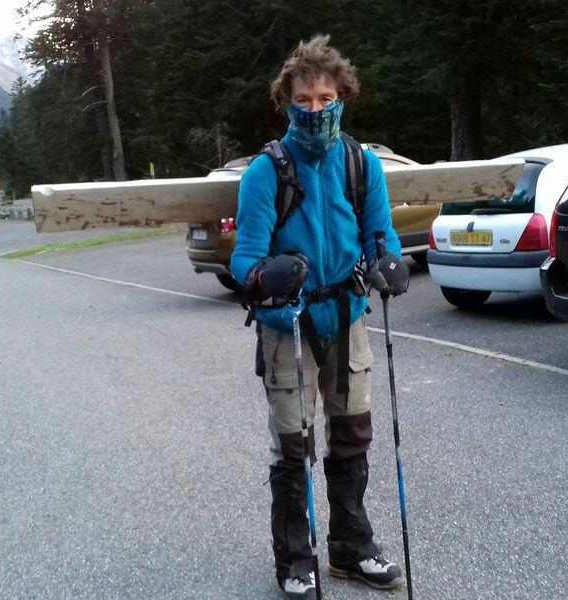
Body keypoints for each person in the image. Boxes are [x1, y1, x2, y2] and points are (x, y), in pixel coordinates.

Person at [230, 35, 410, 599]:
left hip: (348, 315)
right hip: (288, 324)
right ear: (287, 102)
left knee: (352, 434)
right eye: (304, 99)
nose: (315, 108)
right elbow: (244, 261)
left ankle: (350, 549)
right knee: (293, 446)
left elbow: (381, 236)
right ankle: (295, 559)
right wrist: (268, 275)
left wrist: (389, 264)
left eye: (325, 97)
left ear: (341, 97)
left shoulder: (360, 163)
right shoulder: (267, 171)